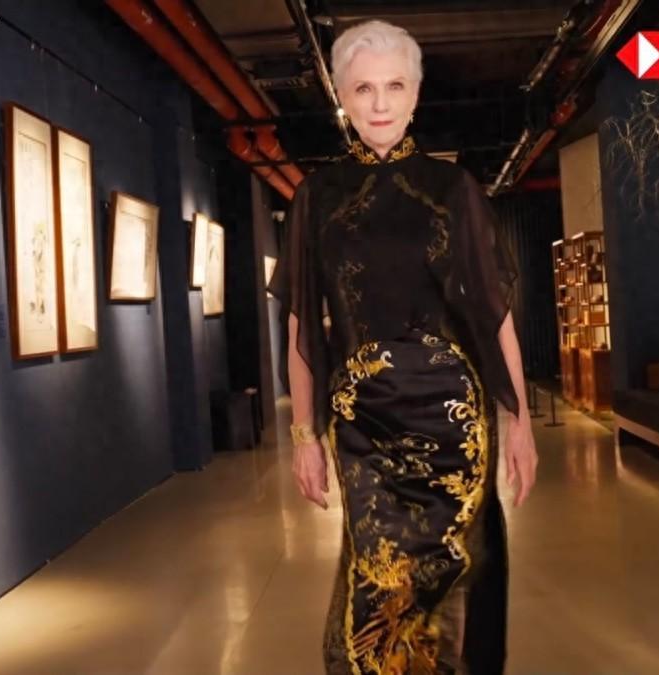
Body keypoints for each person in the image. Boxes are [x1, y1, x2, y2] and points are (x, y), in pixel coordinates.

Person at [268, 18, 538, 674]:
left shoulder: (454, 191)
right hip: (362, 426)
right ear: (342, 97)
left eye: (395, 86)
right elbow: (303, 327)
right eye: (364, 88)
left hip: (455, 422)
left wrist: (521, 422)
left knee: (455, 572)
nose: (380, 104)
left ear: (416, 96)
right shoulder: (317, 199)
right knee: (378, 575)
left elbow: (495, 314)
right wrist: (304, 436)